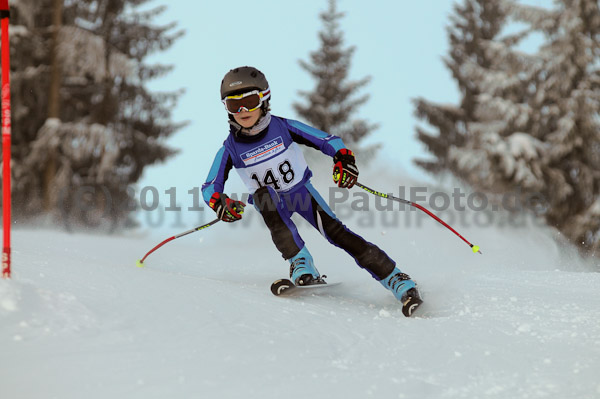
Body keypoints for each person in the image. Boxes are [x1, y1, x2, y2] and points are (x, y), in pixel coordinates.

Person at [201, 66, 422, 317]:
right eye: (233, 105)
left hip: (301, 194)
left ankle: (398, 280)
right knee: (264, 197)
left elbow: (328, 141)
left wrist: (342, 158)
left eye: (249, 101)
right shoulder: (230, 148)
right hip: (271, 203)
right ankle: (301, 263)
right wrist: (219, 203)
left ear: (264, 98)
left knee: (338, 235)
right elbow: (209, 187)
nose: (242, 111)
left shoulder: (283, 127)